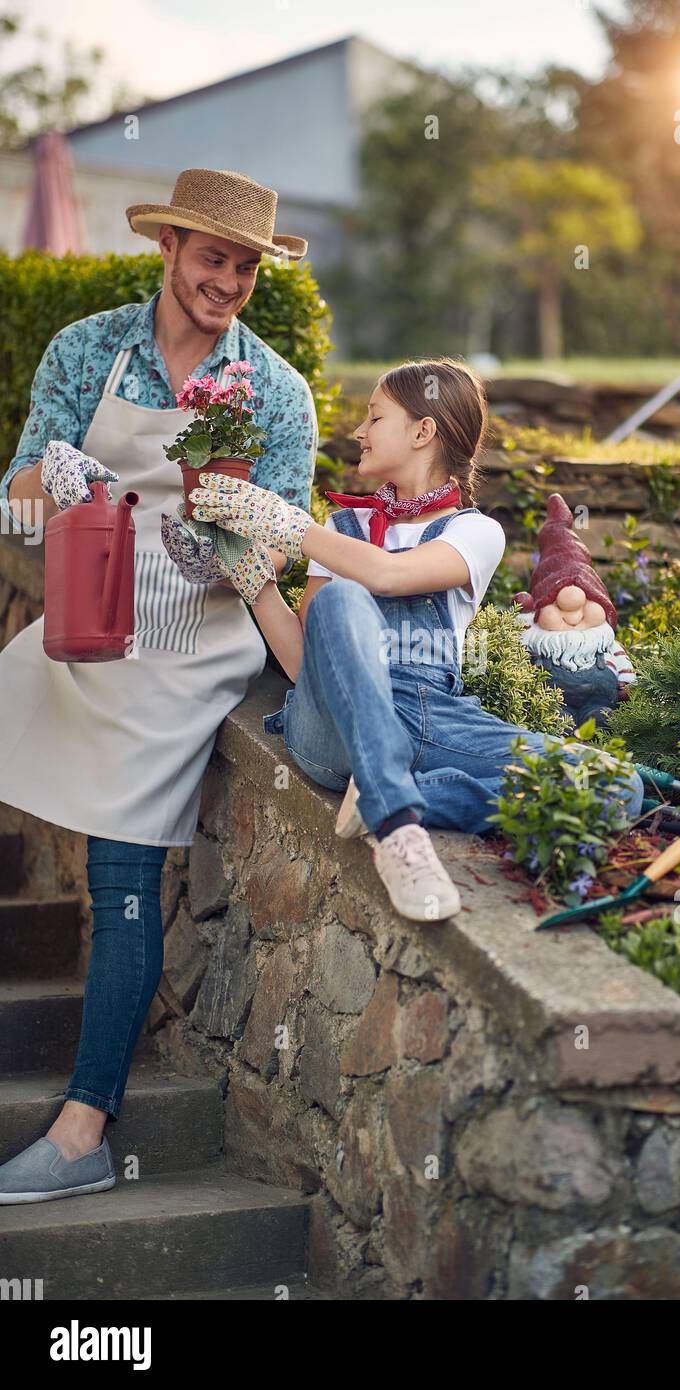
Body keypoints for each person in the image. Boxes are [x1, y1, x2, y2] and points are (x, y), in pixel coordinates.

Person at [0, 168, 316, 1204]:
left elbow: (287, 550)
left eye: (244, 265)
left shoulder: (273, 391)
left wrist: (221, 523)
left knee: (119, 871)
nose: (226, 279)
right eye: (211, 256)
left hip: (190, 648)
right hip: (86, 623)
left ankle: (86, 1127)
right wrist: (52, 480)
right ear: (169, 247)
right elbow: (14, 504)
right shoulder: (87, 349)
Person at [184, 357, 645, 923]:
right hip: (330, 725)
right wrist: (259, 587)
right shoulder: (340, 530)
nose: (359, 431)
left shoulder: (474, 532)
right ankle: (401, 826)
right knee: (339, 600)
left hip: (429, 714)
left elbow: (390, 574)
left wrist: (289, 527)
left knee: (615, 783)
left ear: (423, 431)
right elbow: (308, 664)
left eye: (374, 417)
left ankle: (399, 791)